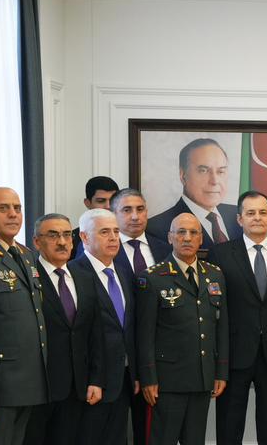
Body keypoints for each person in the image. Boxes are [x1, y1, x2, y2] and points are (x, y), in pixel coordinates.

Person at [208, 190, 267, 445]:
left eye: (263, 212)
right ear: (240, 219)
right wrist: (217, 357)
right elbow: (215, 310)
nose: (257, 218)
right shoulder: (221, 254)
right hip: (234, 354)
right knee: (229, 426)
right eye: (250, 213)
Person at [135, 212, 229, 445]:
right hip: (167, 382)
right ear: (170, 237)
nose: (187, 238)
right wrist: (148, 378)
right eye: (181, 232)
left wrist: (220, 372)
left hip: (202, 377)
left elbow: (221, 327)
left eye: (193, 232)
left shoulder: (214, 274)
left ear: (201, 239)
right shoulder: (153, 278)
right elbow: (144, 334)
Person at [0, 187, 49, 445]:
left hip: (30, 374)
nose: (13, 214)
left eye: (17, 208)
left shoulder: (26, 254)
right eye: (3, 208)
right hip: (2, 379)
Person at [25, 214, 102, 445]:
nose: (62, 242)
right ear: (37, 242)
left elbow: (95, 333)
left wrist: (96, 379)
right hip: (39, 389)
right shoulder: (27, 278)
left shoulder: (84, 276)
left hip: (77, 388)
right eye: (53, 235)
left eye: (67, 235)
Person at [107, 187, 168, 444]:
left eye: (140, 209)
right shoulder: (103, 250)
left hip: (158, 355)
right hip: (118, 357)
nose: (135, 216)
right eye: (126, 210)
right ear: (113, 214)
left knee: (152, 430)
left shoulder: (164, 248)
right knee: (115, 430)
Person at [73, 208, 136, 445]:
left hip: (124, 379)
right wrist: (92, 379)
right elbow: (78, 336)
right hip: (92, 384)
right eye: (104, 232)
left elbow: (128, 327)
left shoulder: (123, 272)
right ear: (84, 237)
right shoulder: (73, 273)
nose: (113, 238)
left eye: (116, 232)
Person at [147, 138, 242, 249]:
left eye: (220, 171)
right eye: (203, 170)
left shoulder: (240, 216)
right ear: (183, 175)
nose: (214, 181)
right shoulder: (157, 228)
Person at [70, 176, 119, 259]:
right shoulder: (73, 240)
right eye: (101, 201)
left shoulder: (129, 232)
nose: (108, 206)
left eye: (113, 201)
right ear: (87, 203)